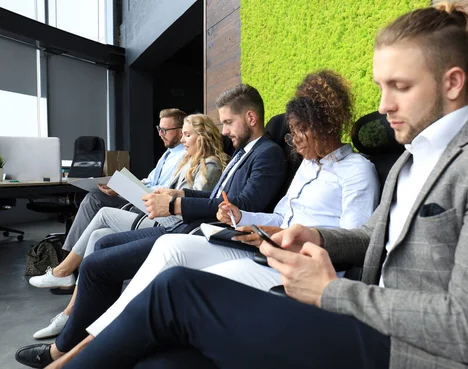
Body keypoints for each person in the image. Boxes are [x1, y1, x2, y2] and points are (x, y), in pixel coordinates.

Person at [52, 3, 468, 369]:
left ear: (453, 83)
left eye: (400, 87)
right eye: (381, 85)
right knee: (163, 359)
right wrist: (315, 237)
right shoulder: (412, 162)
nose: (383, 105)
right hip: (378, 327)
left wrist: (332, 293)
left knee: (175, 290)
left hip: (426, 355)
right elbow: (372, 236)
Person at [79, 70, 380, 343]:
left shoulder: (356, 171)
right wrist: (240, 215)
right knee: (169, 247)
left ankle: (93, 347)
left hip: (297, 267)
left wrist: (288, 234)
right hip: (266, 247)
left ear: (326, 126)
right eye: (291, 133)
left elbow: (351, 242)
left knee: (182, 281)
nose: (295, 142)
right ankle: (95, 339)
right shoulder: (307, 165)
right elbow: (280, 215)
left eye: (301, 131)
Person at [15, 84, 288, 369]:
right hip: (188, 226)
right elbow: (214, 197)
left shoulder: (266, 153)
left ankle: (66, 348)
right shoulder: (244, 153)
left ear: (251, 118)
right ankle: (85, 336)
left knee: (97, 265)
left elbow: (240, 207)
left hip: (198, 232)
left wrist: (174, 206)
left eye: (229, 122)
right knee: (103, 244)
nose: (225, 130)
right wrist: (178, 195)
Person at [26, 113, 228, 340]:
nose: (182, 139)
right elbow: (162, 188)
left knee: (102, 213)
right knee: (99, 235)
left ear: (202, 137)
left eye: (187, 135)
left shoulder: (208, 166)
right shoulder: (187, 161)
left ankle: (63, 272)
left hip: (168, 221)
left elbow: (190, 206)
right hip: (157, 212)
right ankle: (73, 311)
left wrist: (162, 196)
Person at [59, 108, 187, 257]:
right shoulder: (167, 154)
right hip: (141, 197)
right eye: (159, 129)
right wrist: (123, 183)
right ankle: (68, 256)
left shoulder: (185, 157)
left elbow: (167, 190)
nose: (160, 134)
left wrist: (125, 189)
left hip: (151, 204)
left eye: (165, 130)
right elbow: (150, 180)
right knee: (93, 198)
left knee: (97, 207)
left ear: (180, 131)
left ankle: (68, 261)